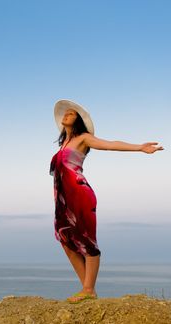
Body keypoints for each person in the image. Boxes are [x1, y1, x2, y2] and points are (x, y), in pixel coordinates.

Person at [49, 99, 164, 303]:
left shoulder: (84, 138)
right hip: (62, 199)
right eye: (65, 113)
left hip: (79, 194)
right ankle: (87, 289)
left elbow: (110, 145)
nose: (66, 114)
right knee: (65, 241)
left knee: (86, 240)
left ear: (79, 120)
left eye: (71, 113)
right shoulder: (62, 145)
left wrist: (139, 148)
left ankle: (88, 289)